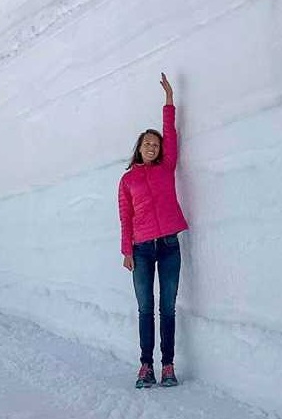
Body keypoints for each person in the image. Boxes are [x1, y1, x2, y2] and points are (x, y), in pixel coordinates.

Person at [118, 73, 189, 389]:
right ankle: (146, 366)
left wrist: (169, 100)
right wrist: (126, 251)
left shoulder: (166, 167)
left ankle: (168, 366)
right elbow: (125, 217)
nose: (152, 146)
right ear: (139, 147)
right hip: (142, 248)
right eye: (147, 143)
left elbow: (171, 136)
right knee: (146, 308)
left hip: (170, 244)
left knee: (168, 308)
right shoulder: (127, 180)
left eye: (155, 144)